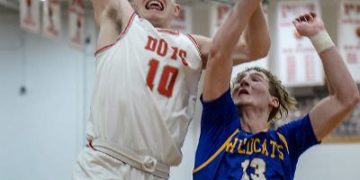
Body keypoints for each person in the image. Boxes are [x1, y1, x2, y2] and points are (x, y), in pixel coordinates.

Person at [73, 0, 269, 179]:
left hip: (156, 172)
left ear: (176, 9)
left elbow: (255, 48)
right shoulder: (121, 21)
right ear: (133, 3)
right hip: (103, 164)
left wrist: (255, 4)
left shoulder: (193, 46)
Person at [193, 12, 360, 180]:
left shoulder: (287, 140)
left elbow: (346, 98)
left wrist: (319, 35)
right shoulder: (219, 124)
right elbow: (219, 54)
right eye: (240, 81)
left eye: (255, 79)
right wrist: (251, 7)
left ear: (273, 101)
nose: (244, 82)